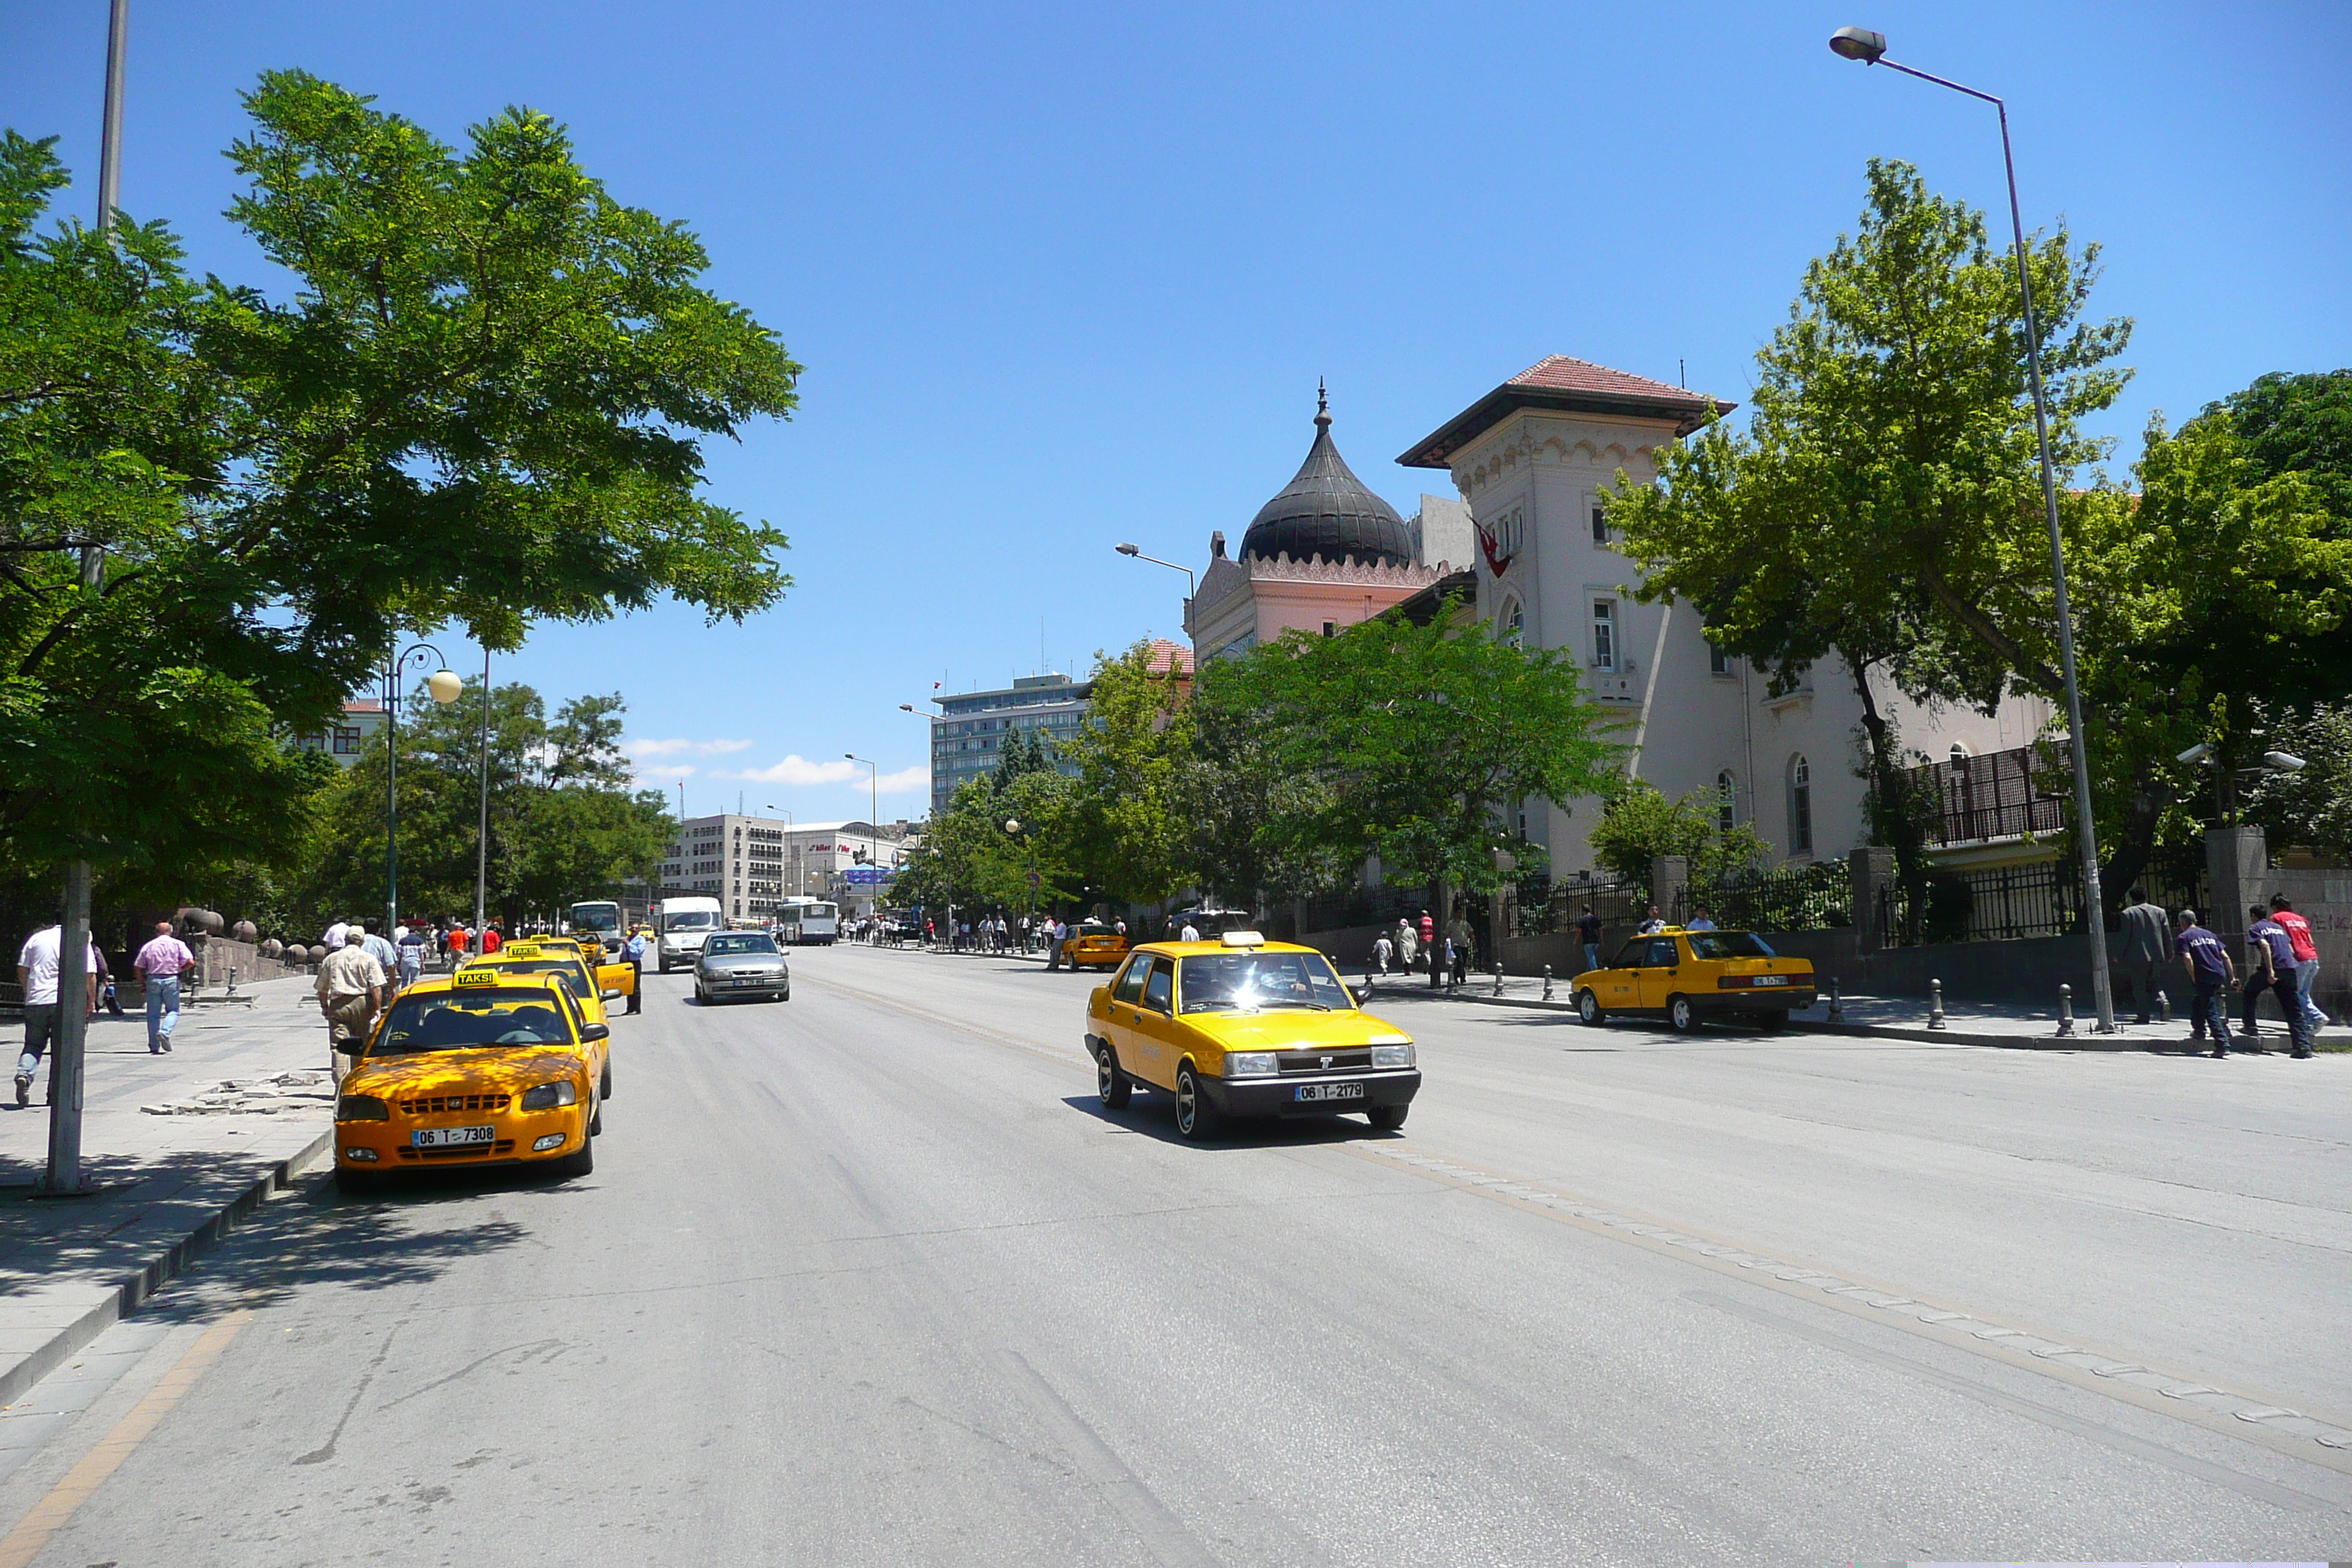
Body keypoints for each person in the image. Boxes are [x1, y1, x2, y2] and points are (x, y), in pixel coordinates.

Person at [16, 923, 99, 1107]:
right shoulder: (80, 939)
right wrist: (90, 1002)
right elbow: (90, 975)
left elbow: (22, 969)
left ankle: (25, 1074)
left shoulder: (36, 938)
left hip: (36, 1000)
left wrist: (28, 991)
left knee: (33, 1044)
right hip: (65, 1003)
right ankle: (54, 1093)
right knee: (62, 1050)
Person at [316, 928, 386, 1081]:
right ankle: (358, 1082)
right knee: (361, 1044)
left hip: (339, 1004)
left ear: (345, 941)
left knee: (339, 1046)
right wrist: (377, 1008)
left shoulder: (332, 959)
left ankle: (341, 1085)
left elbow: (322, 988)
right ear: (362, 942)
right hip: (362, 1002)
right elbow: (376, 987)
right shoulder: (369, 958)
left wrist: (325, 1006)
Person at [2242, 903, 2306, 1056]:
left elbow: (2264, 945)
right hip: (2289, 968)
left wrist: (2270, 971)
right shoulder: (2278, 928)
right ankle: (2303, 1047)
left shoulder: (2256, 927)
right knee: (2293, 1009)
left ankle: (2250, 1026)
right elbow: (2290, 948)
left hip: (2272, 969)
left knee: (2249, 991)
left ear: (2253, 916)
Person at [2174, 908, 2234, 1057]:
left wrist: (2194, 976)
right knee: (2198, 1001)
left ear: (2182, 923)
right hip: (2219, 973)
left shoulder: (2184, 937)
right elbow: (2225, 956)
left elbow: (2187, 958)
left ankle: (2222, 1043)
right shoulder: (2210, 934)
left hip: (2203, 975)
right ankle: (2199, 1030)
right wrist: (2231, 977)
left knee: (2210, 1009)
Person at [133, 920, 197, 1056]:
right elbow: (190, 962)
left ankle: (154, 1046)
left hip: (153, 979)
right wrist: (180, 968)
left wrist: (142, 984)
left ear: (156, 932)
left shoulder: (149, 946)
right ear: (170, 931)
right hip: (171, 978)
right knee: (173, 1010)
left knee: (153, 1014)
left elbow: (138, 967)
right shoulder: (178, 944)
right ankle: (165, 1031)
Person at [2268, 894, 2326, 1040]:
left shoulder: (2277, 918)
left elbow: (2281, 939)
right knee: (2303, 993)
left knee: (2293, 994)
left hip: (2298, 959)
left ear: (2275, 907)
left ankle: (2316, 1017)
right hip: (2312, 957)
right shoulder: (2300, 919)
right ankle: (2308, 1024)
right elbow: (2310, 940)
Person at [2119, 887, 2174, 1025]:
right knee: (2155, 981)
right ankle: (2163, 1000)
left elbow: (2125, 937)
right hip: (2157, 955)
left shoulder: (2128, 914)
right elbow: (2166, 934)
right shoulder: (2160, 912)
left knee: (2139, 987)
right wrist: (2170, 953)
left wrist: (2119, 954)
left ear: (2132, 898)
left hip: (2138, 956)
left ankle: (2143, 1015)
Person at [624, 926, 648, 1014]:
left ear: (639, 930)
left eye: (636, 928)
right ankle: (629, 1008)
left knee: (636, 987)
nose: (633, 930)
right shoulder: (627, 938)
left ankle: (637, 1009)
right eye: (632, 928)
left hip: (635, 963)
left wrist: (628, 944)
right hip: (627, 963)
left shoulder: (640, 940)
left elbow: (638, 951)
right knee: (628, 987)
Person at [395, 924, 426, 990]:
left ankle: (404, 994)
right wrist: (423, 964)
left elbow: (399, 953)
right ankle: (412, 995)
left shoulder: (402, 941)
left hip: (405, 961)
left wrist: (397, 964)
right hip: (415, 961)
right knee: (414, 980)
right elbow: (421, 953)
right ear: (415, 932)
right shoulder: (419, 941)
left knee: (404, 980)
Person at [1576, 905, 1602, 975]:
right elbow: (1600, 929)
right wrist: (1601, 938)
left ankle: (1594, 971)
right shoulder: (1595, 918)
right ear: (1590, 910)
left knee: (1591, 956)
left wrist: (1575, 940)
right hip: (1596, 940)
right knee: (1591, 956)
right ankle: (1588, 972)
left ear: (1583, 911)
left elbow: (1579, 931)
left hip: (1587, 940)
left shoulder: (1583, 919)